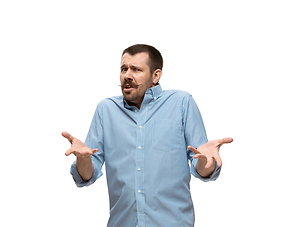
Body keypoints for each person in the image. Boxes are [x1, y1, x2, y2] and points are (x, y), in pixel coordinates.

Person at [62, 44, 233, 227]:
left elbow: (203, 169)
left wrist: (206, 161)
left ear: (156, 76)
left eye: (136, 69)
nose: (127, 75)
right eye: (124, 69)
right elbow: (87, 175)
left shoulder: (181, 103)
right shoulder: (106, 109)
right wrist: (83, 159)